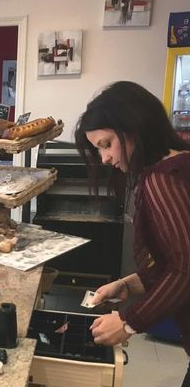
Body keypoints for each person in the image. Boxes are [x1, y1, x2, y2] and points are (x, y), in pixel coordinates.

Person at [74, 81, 190, 386]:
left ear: (134, 128)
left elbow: (184, 268)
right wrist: (131, 283)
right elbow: (178, 256)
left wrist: (127, 322)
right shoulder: (183, 161)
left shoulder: (162, 179)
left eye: (107, 144)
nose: (105, 159)